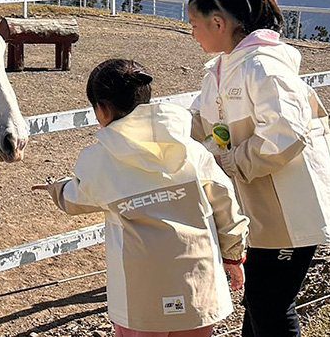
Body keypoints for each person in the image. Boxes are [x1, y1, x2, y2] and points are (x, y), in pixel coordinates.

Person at [186, 0, 330, 337]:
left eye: (194, 24)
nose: (192, 33)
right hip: (265, 214)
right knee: (260, 304)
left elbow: (285, 133)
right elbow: (197, 123)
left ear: (217, 23)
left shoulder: (264, 67)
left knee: (270, 305)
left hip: (290, 214)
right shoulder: (222, 69)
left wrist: (233, 162)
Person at [35, 59, 249, 337]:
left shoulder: (100, 161)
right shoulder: (190, 148)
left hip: (141, 297)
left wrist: (56, 188)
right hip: (199, 283)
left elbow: (76, 199)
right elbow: (225, 202)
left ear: (101, 109)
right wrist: (232, 256)